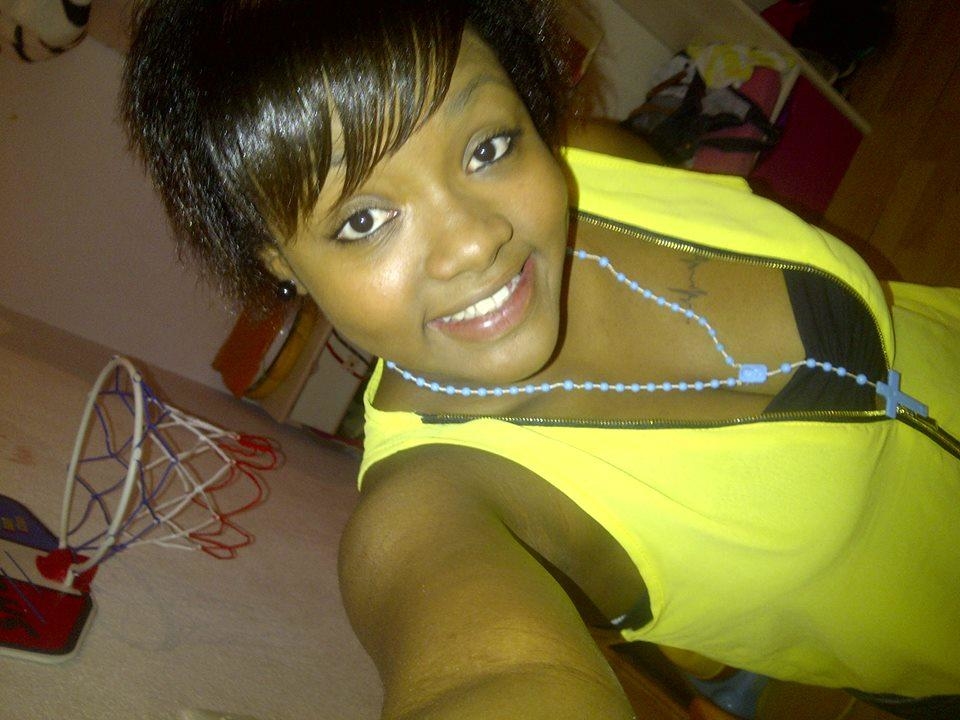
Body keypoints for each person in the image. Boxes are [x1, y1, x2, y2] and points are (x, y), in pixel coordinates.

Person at [121, 1, 960, 718]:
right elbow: (490, 679)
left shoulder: (595, 158)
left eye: (485, 147)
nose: (472, 239)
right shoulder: (432, 504)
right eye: (364, 220)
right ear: (278, 260)